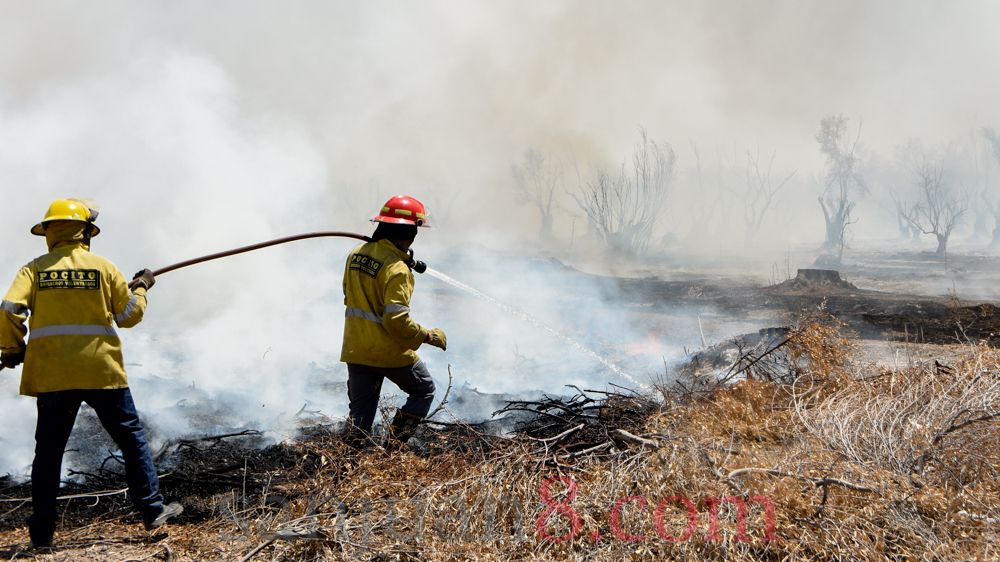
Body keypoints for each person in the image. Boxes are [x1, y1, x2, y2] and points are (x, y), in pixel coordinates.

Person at [0, 198, 182, 548]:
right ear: (85, 232)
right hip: (102, 373)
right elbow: (128, 315)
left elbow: (8, 310)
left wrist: (12, 349)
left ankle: (41, 536)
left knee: (49, 453)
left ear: (49, 232)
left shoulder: (34, 270)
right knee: (131, 442)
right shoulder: (103, 267)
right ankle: (153, 512)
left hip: (53, 377)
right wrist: (141, 287)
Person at [341, 195, 447, 448]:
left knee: (360, 420)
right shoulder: (397, 270)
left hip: (356, 349)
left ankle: (344, 469)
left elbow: (348, 295)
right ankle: (393, 449)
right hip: (389, 352)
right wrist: (427, 335)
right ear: (410, 233)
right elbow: (397, 321)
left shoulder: (355, 255)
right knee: (424, 390)